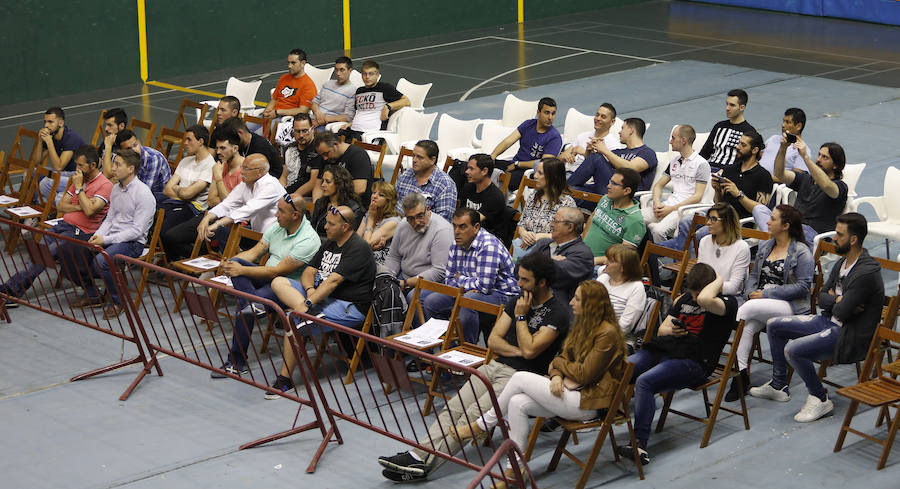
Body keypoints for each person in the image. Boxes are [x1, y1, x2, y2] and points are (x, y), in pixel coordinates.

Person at [376, 253, 570, 483]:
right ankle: (417, 454)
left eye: (525, 280)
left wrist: (520, 318)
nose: (519, 284)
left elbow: (531, 352)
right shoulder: (517, 299)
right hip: (494, 366)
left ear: (542, 282)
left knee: (471, 418)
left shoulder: (557, 312)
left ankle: (423, 465)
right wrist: (519, 349)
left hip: (521, 378)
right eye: (519, 278)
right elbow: (494, 341)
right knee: (454, 407)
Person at [451, 280, 625, 487]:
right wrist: (557, 375)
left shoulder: (607, 333)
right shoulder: (583, 325)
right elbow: (558, 360)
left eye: (577, 299)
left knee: (520, 377)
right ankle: (514, 469)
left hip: (590, 403)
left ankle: (481, 425)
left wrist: (560, 367)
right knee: (516, 402)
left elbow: (585, 374)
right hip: (571, 390)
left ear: (592, 305)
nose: (571, 302)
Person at [750, 213, 884, 423]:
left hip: (850, 333)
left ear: (853, 239)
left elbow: (841, 311)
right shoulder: (842, 264)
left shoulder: (866, 272)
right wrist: (839, 300)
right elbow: (822, 298)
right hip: (830, 322)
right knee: (774, 325)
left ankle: (820, 398)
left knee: (793, 350)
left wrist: (836, 301)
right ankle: (779, 384)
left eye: (839, 234)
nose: (835, 238)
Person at [624, 264, 738, 465]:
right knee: (620, 368)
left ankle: (639, 445)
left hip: (693, 362)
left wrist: (718, 279)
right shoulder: (684, 299)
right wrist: (673, 331)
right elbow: (662, 330)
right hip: (665, 350)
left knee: (644, 382)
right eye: (692, 294)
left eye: (697, 294)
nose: (694, 299)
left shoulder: (726, 303)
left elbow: (704, 299)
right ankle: (593, 412)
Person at [267, 205, 377, 396]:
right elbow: (309, 271)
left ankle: (285, 380)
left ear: (346, 227)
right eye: (326, 222)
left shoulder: (358, 248)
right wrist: (309, 293)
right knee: (278, 282)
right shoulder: (330, 243)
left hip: (348, 305)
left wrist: (309, 304)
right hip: (320, 295)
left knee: (293, 323)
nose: (325, 227)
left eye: (331, 224)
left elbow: (333, 281)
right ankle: (307, 313)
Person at [210, 194, 320, 377]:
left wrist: (241, 271)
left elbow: (277, 272)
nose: (276, 214)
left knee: (244, 311)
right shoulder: (278, 227)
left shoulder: (309, 240)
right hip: (266, 278)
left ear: (296, 215)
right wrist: (231, 264)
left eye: (281, 211)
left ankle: (237, 363)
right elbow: (254, 253)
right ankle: (252, 305)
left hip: (286, 287)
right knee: (239, 264)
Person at [725, 205, 813, 402]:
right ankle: (741, 376)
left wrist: (767, 293)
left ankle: (720, 338)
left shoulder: (801, 251)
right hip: (762, 304)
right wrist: (749, 293)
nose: (767, 221)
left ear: (786, 226)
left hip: (790, 304)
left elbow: (803, 287)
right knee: (746, 327)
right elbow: (754, 276)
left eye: (772, 219)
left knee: (744, 311)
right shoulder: (766, 246)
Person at [1, 145, 111, 303]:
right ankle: (12, 288)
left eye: (81, 165)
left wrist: (79, 190)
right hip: (64, 225)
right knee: (37, 252)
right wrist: (82, 204)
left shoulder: (104, 185)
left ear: (92, 165)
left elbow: (89, 212)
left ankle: (10, 290)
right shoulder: (80, 178)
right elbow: (61, 205)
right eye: (76, 165)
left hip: (82, 232)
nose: (77, 169)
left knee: (45, 254)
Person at [70, 149, 155, 319]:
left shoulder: (144, 194)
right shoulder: (116, 189)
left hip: (133, 242)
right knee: (76, 249)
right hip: (113, 236)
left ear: (131, 169)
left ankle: (117, 302)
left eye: (118, 164)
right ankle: (93, 294)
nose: (113, 168)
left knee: (103, 260)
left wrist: (105, 239)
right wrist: (98, 236)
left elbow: (136, 231)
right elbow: (110, 219)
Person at [660, 130, 773, 252]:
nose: (737, 147)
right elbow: (718, 201)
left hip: (736, 221)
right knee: (686, 221)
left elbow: (761, 210)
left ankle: (667, 251)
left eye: (743, 145)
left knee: (701, 235)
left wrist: (738, 194)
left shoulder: (763, 176)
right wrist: (717, 190)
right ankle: (675, 255)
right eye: (739, 143)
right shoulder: (730, 169)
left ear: (754, 150)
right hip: (718, 212)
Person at [421, 208, 520, 344]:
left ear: (476, 227)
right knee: (430, 301)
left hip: (503, 294)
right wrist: (467, 285)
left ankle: (466, 348)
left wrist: (460, 279)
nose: (456, 232)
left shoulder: (488, 246)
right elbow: (449, 280)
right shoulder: (456, 244)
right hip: (471, 293)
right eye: (454, 226)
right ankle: (446, 347)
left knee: (467, 301)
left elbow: (484, 287)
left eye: (462, 227)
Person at [752, 137, 848, 246]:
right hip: (792, 227)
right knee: (759, 209)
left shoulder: (840, 187)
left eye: (825, 157)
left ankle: (775, 242)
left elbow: (826, 185)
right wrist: (783, 148)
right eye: (819, 155)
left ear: (835, 165)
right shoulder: (806, 179)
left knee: (777, 233)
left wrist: (805, 157)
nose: (819, 160)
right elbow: (780, 174)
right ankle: (777, 241)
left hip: (813, 235)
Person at [194, 154, 283, 254]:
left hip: (274, 239)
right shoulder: (245, 184)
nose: (242, 172)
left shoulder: (271, 185)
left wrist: (217, 223)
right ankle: (230, 263)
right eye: (242, 167)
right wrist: (207, 218)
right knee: (222, 232)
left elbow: (249, 210)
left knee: (222, 230)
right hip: (256, 233)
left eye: (246, 169)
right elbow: (227, 204)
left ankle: (236, 264)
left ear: (260, 171)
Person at [568, 117, 657, 207]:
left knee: (596, 158)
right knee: (573, 191)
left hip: (625, 197)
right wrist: (589, 152)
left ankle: (561, 191)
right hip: (606, 192)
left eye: (622, 128)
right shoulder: (618, 152)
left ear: (631, 130)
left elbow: (631, 168)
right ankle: (562, 193)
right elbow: (593, 165)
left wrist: (604, 150)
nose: (619, 132)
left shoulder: (647, 153)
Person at [642, 125, 709, 242]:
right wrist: (657, 203)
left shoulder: (701, 164)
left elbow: (698, 196)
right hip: (668, 205)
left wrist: (671, 209)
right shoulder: (674, 161)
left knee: (657, 230)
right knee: (634, 218)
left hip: (685, 210)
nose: (670, 141)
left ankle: (657, 259)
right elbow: (658, 185)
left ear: (683, 141)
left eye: (673, 138)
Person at [384, 192, 453, 298]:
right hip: (403, 276)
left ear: (428, 209)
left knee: (412, 297)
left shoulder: (442, 230)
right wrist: (389, 277)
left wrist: (406, 283)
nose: (416, 222)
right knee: (381, 289)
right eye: (411, 218)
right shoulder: (403, 224)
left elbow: (439, 271)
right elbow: (394, 257)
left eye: (420, 216)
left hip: (431, 282)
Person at [491, 97, 563, 191]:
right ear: (538, 112)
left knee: (506, 179)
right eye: (547, 113)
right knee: (482, 164)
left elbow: (544, 164)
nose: (550, 117)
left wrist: (518, 164)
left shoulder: (555, 137)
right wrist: (493, 155)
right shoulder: (528, 124)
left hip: (531, 172)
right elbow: (508, 141)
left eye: (553, 114)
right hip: (514, 164)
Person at [524, 207, 593, 303]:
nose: (551, 224)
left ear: (570, 227)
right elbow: (519, 267)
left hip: (559, 311)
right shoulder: (544, 244)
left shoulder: (583, 255)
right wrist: (551, 261)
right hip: (530, 302)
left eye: (556, 221)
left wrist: (538, 264)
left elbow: (555, 278)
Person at [511, 157, 575, 260]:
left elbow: (568, 236)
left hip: (551, 255)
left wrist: (541, 236)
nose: (535, 176)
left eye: (540, 173)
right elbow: (521, 224)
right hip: (525, 250)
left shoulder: (567, 203)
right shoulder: (534, 196)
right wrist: (524, 234)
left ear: (552, 177)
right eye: (536, 172)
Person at [159, 125, 214, 238]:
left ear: (200, 141)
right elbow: (167, 189)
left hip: (192, 208)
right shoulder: (185, 161)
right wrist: (183, 192)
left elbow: (188, 193)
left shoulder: (210, 165)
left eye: (189, 139)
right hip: (179, 202)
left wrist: (178, 189)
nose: (185, 143)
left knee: (163, 230)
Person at [582, 168, 646, 264]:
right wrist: (581, 246)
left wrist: (593, 261)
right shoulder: (605, 199)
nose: (608, 186)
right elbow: (592, 218)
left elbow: (623, 256)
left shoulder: (635, 220)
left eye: (614, 184)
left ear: (627, 190)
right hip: (582, 255)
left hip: (601, 266)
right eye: (610, 182)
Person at [337, 59, 410, 142]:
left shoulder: (384, 88)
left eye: (371, 74)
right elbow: (361, 113)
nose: (367, 77)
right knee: (328, 141)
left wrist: (388, 106)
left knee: (341, 150)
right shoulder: (359, 91)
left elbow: (406, 101)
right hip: (352, 130)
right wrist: (350, 124)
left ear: (377, 75)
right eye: (364, 74)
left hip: (368, 134)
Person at [394, 139, 457, 221]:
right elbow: (393, 203)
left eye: (419, 157)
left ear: (432, 160)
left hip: (425, 230)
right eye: (413, 155)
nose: (414, 160)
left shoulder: (446, 185)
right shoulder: (406, 175)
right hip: (398, 225)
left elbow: (443, 220)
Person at [696, 203, 750, 299]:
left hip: (729, 297)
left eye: (713, 219)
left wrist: (707, 289)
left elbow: (733, 287)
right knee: (677, 303)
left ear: (727, 222)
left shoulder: (741, 247)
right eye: (708, 218)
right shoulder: (705, 241)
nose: (708, 222)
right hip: (704, 292)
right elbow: (699, 274)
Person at [597, 244, 647, 346]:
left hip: (617, 341)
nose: (605, 262)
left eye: (611, 261)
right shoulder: (603, 279)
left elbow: (625, 326)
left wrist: (597, 335)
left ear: (623, 268)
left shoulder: (636, 288)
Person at [33, 107, 86, 200]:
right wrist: (40, 141)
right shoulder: (52, 135)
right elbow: (36, 162)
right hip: (63, 173)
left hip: (77, 176)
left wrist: (49, 143)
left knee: (46, 183)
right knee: (32, 172)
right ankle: (33, 206)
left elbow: (58, 167)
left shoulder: (71, 138)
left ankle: (55, 210)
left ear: (61, 123)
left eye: (50, 122)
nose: (46, 125)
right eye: (45, 122)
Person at [699, 88, 756, 172]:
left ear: (742, 107)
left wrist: (727, 171)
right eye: (727, 104)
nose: (727, 108)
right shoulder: (719, 126)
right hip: (710, 169)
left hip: (730, 173)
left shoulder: (749, 131)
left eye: (732, 105)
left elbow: (747, 160)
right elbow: (705, 152)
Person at [558, 103, 623, 173]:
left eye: (603, 117)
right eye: (597, 115)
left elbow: (604, 171)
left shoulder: (613, 145)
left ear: (612, 122)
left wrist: (583, 152)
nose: (598, 119)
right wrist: (564, 157)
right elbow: (558, 160)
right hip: (565, 174)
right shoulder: (582, 136)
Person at [313, 131, 374, 204]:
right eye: (322, 155)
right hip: (330, 202)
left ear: (335, 144)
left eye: (326, 153)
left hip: (353, 204)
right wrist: (317, 205)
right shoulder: (326, 157)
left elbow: (359, 189)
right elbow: (318, 186)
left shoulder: (358, 155)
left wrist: (335, 204)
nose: (325, 158)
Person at [457, 154, 506, 238]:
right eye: (468, 168)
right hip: (467, 233)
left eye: (471, 169)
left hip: (485, 238)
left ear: (484, 171)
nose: (466, 171)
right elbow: (460, 213)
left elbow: (472, 222)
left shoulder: (495, 197)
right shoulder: (468, 187)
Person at [309, 166, 365, 238]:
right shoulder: (320, 203)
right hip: (316, 242)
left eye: (328, 182)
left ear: (339, 184)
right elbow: (312, 228)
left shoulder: (353, 208)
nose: (323, 185)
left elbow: (350, 237)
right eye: (323, 181)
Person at [218, 117, 283, 179]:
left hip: (268, 179)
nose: (231, 142)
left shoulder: (260, 147)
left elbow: (259, 174)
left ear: (240, 132)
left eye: (232, 138)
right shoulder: (241, 143)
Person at [112, 129, 171, 197]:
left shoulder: (153, 158)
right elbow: (112, 177)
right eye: (128, 149)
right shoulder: (121, 158)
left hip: (158, 196)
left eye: (135, 145)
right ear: (121, 151)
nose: (134, 150)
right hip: (134, 192)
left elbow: (144, 192)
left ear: (139, 142)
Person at [262, 48, 317, 120]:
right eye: (288, 63)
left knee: (259, 131)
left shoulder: (308, 85)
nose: (289, 66)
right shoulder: (284, 78)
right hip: (273, 114)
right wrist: (267, 111)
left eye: (293, 63)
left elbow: (303, 110)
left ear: (303, 63)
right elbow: (274, 100)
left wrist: (277, 112)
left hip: (285, 119)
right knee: (247, 126)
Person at [758, 108, 813, 178]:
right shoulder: (773, 138)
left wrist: (767, 179)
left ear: (798, 126)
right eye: (783, 121)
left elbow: (796, 179)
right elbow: (758, 158)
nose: (783, 125)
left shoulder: (802, 150)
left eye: (787, 122)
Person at [357, 181, 401, 264]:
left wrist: (370, 219)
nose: (374, 196)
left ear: (388, 201)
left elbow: (366, 245)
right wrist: (371, 247)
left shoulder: (393, 222)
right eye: (374, 193)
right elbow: (354, 241)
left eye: (381, 195)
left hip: (379, 263)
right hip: (362, 257)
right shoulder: (371, 213)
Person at [282, 114, 324, 197]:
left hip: (304, 196)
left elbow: (313, 183)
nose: (301, 135)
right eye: (297, 131)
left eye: (304, 131)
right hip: (287, 193)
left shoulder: (319, 150)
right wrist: (281, 192)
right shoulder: (289, 148)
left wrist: (291, 197)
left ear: (312, 129)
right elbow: (284, 176)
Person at [310, 56, 356, 129]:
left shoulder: (352, 91)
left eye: (342, 70)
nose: (338, 73)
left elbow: (348, 117)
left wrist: (324, 119)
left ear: (350, 71)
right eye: (336, 70)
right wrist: (318, 114)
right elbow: (314, 102)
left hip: (327, 125)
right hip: (313, 119)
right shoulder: (327, 84)